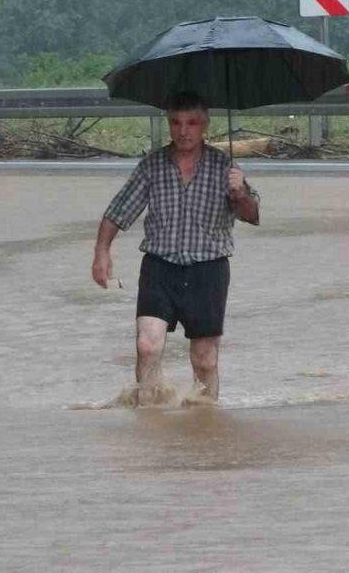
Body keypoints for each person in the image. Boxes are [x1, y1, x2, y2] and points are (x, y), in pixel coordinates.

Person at [91, 91, 260, 405]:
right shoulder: (152, 165)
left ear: (205, 125)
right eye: (176, 123)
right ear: (169, 124)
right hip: (159, 266)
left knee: (204, 359)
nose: (183, 131)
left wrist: (240, 193)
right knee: (148, 346)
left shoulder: (226, 166)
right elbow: (118, 211)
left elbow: (253, 216)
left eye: (192, 123)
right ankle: (148, 418)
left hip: (208, 269)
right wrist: (102, 252)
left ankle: (206, 423)